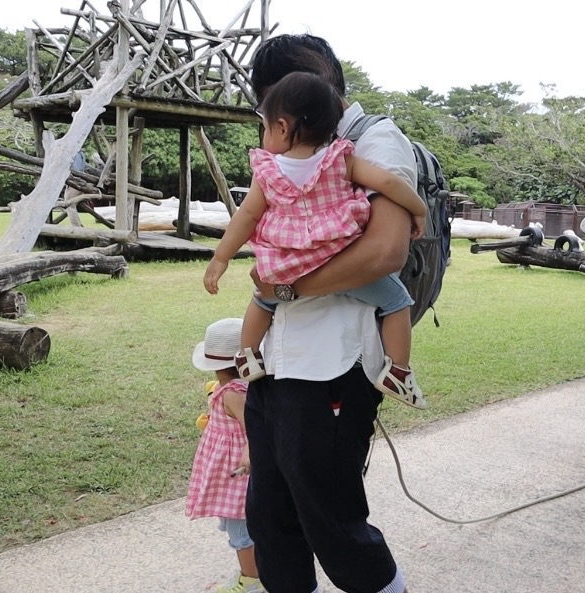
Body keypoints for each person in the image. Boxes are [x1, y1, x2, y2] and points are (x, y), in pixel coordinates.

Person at [240, 33, 416, 593]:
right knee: (269, 515)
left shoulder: (374, 140)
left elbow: (386, 250)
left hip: (333, 367)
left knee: (331, 517)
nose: (270, 124)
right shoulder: (291, 157)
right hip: (277, 365)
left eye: (270, 109)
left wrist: (285, 286)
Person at [202, 71, 428, 410]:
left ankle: (247, 356)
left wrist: (221, 258)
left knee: (263, 300)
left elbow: (246, 217)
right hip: (339, 261)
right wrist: (419, 210)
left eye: (263, 126)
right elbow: (390, 184)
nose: (264, 134)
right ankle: (398, 370)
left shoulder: (267, 172)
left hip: (288, 265)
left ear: (281, 126)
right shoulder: (341, 160)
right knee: (396, 301)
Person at [187, 318, 265, 593]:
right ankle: (253, 575)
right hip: (231, 473)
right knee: (238, 526)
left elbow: (253, 427)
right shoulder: (235, 389)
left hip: (236, 476)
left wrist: (248, 453)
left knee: (241, 531)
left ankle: (252, 582)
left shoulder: (233, 394)